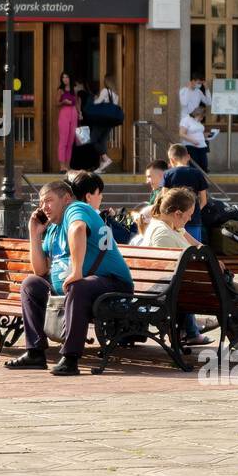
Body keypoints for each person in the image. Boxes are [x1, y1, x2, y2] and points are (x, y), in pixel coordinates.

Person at [6, 180, 133, 376]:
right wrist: (34, 233)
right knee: (31, 284)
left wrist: (76, 271)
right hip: (79, 287)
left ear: (66, 198)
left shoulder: (76, 208)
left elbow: (78, 229)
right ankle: (35, 352)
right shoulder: (54, 228)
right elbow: (40, 270)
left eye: (49, 200)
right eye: (41, 203)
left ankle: (71, 358)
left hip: (113, 284)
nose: (44, 207)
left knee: (78, 285)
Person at [145, 186, 215, 345]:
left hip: (174, 286)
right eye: (189, 215)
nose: (190, 219)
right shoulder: (164, 234)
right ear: (177, 213)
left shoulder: (171, 226)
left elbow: (198, 246)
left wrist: (211, 258)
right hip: (172, 290)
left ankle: (193, 329)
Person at [65, 170, 131, 246]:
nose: (101, 197)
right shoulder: (99, 220)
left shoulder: (65, 218)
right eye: (99, 193)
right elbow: (125, 239)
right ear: (88, 197)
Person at [163, 144, 209, 242]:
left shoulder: (168, 174)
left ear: (171, 159)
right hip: (193, 219)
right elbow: (204, 201)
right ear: (188, 156)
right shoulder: (197, 173)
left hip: (173, 220)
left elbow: (164, 199)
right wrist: (193, 211)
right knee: (194, 250)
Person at [93, 75, 120, 173]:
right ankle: (101, 167)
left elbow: (98, 102)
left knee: (93, 140)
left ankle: (105, 158)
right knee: (102, 141)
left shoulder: (105, 91)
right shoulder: (116, 95)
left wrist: (95, 98)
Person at [55, 72, 80, 172]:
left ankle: (68, 165)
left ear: (70, 78)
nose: (65, 79)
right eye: (63, 77)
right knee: (63, 141)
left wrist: (80, 113)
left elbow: (77, 103)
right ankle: (62, 166)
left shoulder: (75, 89)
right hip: (64, 113)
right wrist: (63, 102)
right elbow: (56, 103)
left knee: (70, 141)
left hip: (74, 113)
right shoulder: (60, 90)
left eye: (67, 77)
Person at [179, 104, 211, 173]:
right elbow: (181, 133)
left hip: (202, 145)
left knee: (204, 165)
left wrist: (205, 135)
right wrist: (192, 141)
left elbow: (198, 133)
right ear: (197, 114)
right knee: (195, 165)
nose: (202, 118)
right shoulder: (186, 120)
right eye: (201, 116)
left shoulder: (198, 122)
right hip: (191, 145)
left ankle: (201, 180)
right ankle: (195, 181)